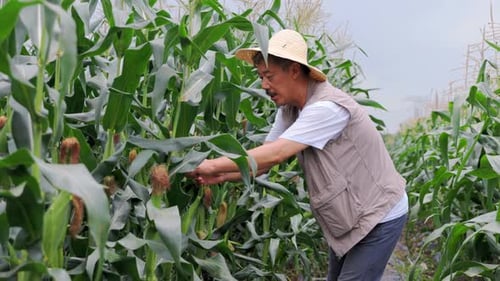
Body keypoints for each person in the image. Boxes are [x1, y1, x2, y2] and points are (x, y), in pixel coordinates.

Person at [187, 29, 408, 281]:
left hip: (379, 215)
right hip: (350, 218)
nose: (263, 85)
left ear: (294, 70)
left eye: (269, 76)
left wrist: (211, 165)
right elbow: (260, 166)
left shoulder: (326, 108)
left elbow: (276, 153)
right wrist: (222, 177)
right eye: (260, 76)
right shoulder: (290, 110)